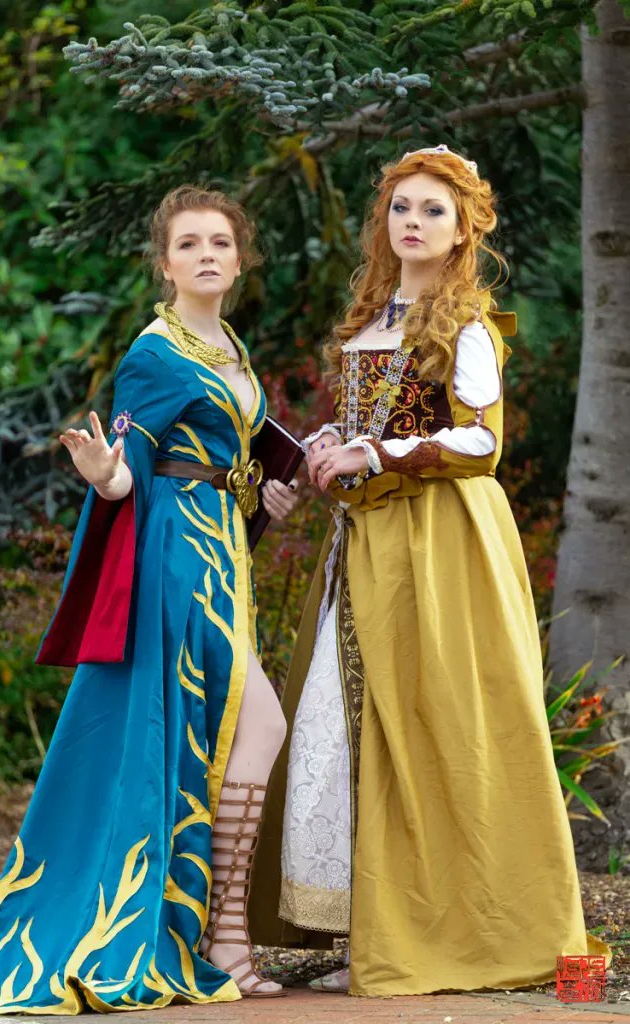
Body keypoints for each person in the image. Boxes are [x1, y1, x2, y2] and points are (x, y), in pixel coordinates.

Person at [248, 145, 611, 996]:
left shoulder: (468, 323)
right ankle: (371, 924)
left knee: (429, 721)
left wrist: (377, 453)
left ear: (461, 232)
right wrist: (335, 441)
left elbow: (480, 441)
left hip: (437, 542)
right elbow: (369, 423)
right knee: (340, 721)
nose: (411, 222)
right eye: (400, 208)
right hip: (366, 543)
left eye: (432, 211)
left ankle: (435, 931)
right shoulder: (370, 319)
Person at [0, 185, 299, 1013]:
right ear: (164, 263)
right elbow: (131, 462)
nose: (206, 254)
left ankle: (219, 934)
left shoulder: (228, 346)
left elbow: (217, 454)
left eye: (219, 242)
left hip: (219, 549)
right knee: (258, 723)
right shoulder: (154, 352)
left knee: (234, 729)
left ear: (240, 260)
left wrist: (261, 497)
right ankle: (223, 938)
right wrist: (106, 476)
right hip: (177, 560)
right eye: (189, 244)